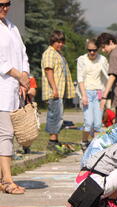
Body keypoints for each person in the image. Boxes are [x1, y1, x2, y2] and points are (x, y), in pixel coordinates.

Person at [0, 0, 30, 195]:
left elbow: (23, 54)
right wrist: (18, 75)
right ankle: (8, 180)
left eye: (7, 3)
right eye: (0, 4)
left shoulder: (12, 27)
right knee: (6, 134)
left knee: (6, 134)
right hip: (2, 88)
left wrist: (25, 77)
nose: (4, 7)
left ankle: (3, 178)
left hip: (13, 88)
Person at [41, 30, 75, 150]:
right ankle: (52, 141)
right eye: (58, 42)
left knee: (58, 115)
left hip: (59, 91)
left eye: (62, 42)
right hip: (54, 91)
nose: (60, 44)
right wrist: (54, 88)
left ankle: (55, 139)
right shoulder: (49, 53)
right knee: (54, 116)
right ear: (53, 41)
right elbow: (48, 71)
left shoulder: (57, 53)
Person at [77, 39, 109, 151]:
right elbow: (80, 78)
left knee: (98, 123)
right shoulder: (82, 60)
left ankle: (95, 146)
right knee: (88, 122)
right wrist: (83, 95)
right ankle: (84, 141)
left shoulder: (102, 59)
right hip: (87, 92)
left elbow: (107, 77)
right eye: (89, 50)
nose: (92, 53)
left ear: (98, 50)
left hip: (98, 93)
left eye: (94, 50)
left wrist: (105, 94)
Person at [22, 76, 38, 154]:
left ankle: (26, 147)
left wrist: (25, 90)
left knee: (26, 129)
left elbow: (33, 92)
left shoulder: (29, 77)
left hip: (25, 106)